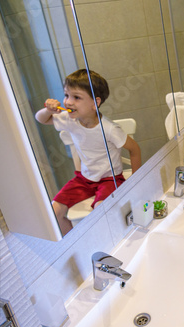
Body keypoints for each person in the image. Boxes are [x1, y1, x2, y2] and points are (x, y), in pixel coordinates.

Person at [35, 69, 141, 235]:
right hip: (83, 179)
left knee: (100, 212)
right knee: (53, 212)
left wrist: (135, 180)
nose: (68, 102)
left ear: (95, 103)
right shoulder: (69, 120)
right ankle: (72, 243)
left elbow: (134, 149)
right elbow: (41, 119)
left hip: (109, 180)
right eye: (66, 95)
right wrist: (48, 110)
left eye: (76, 97)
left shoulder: (109, 129)